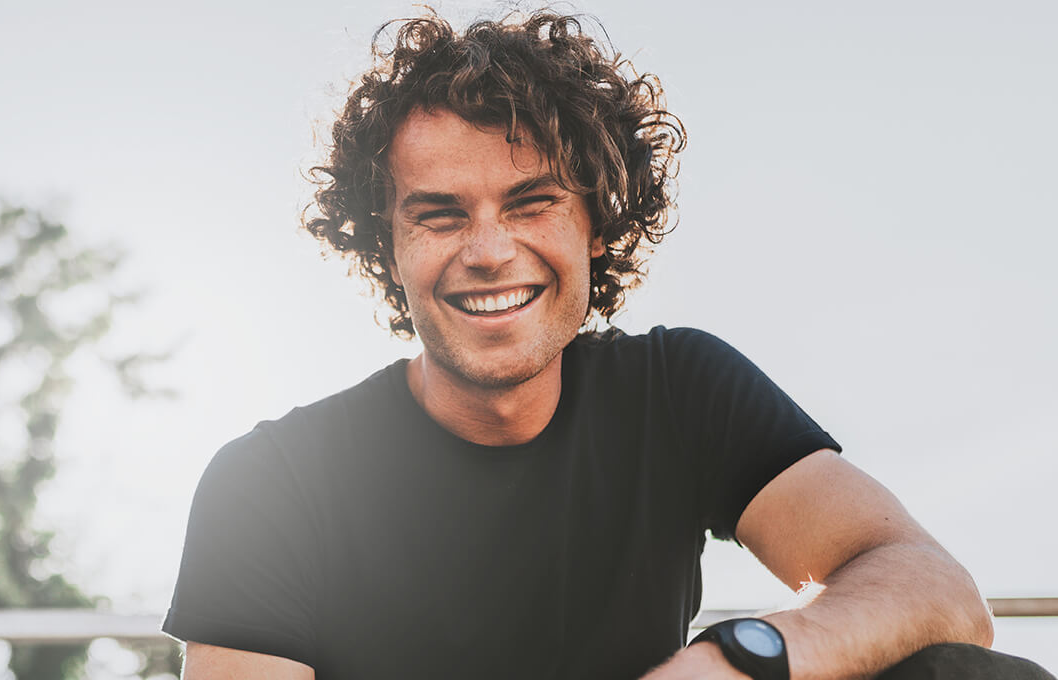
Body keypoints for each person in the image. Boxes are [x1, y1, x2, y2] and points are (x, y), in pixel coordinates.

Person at [163, 9, 1053, 680]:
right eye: (438, 215)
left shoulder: (677, 388)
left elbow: (936, 588)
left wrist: (737, 659)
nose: (489, 251)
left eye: (532, 203)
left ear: (595, 226)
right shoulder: (269, 481)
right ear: (386, 247)